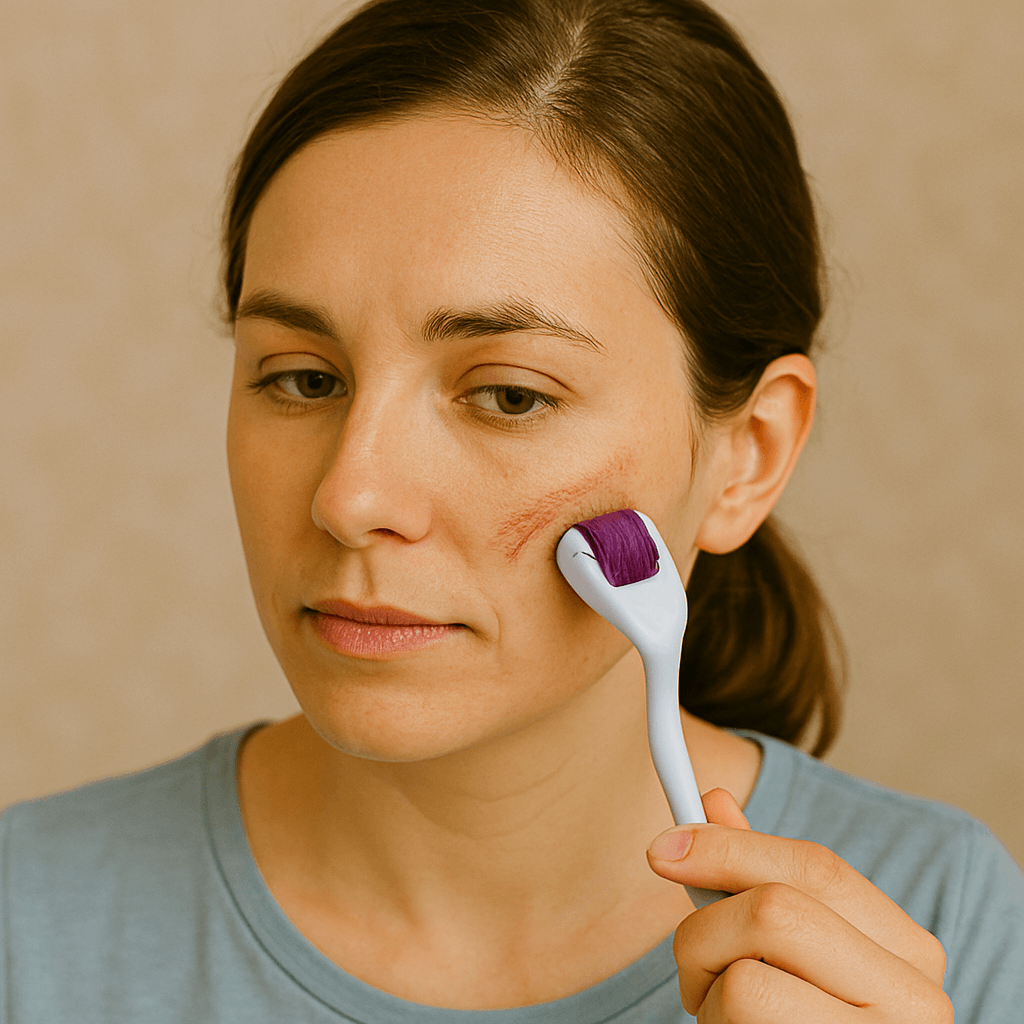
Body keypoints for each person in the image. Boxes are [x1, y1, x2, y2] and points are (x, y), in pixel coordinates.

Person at [1, 1, 1021, 1020]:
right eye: (303, 379)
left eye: (510, 395)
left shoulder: (950, 923)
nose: (350, 496)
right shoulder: (28, 927)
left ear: (746, 456)